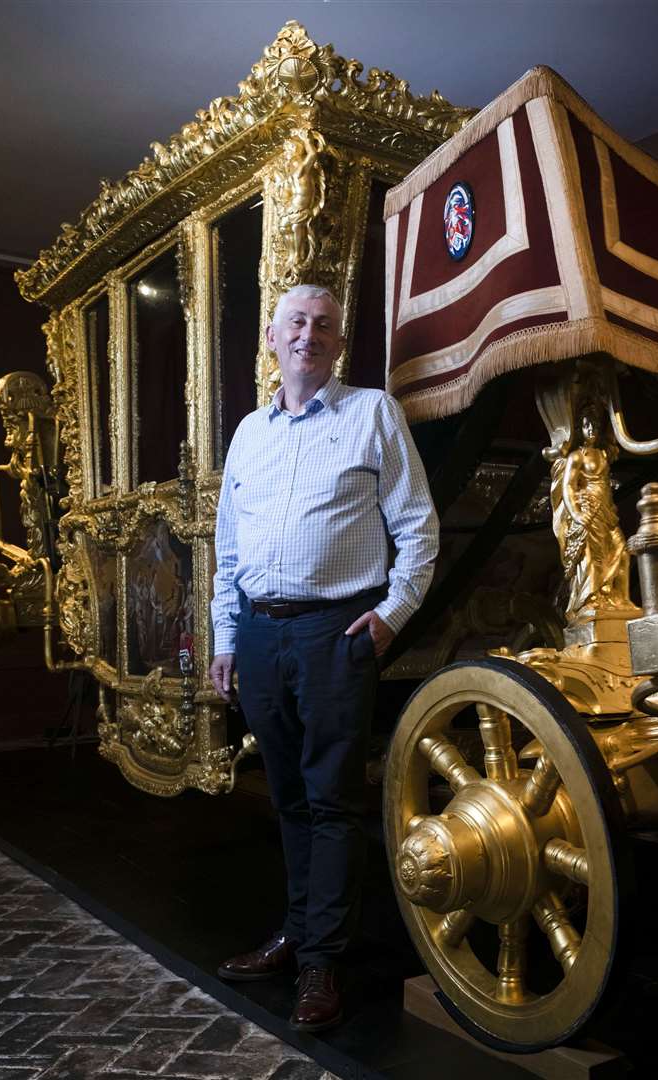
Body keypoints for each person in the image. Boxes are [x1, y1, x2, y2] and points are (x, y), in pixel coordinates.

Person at [208, 284, 437, 1031]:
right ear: (273, 338)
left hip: (337, 632)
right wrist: (225, 636)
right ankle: (297, 934)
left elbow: (418, 529)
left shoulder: (372, 413)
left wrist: (390, 616)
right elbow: (228, 549)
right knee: (289, 800)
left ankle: (320, 962)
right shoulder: (248, 433)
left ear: (339, 345)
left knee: (333, 801)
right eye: (297, 323)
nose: (310, 334)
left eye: (325, 326)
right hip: (262, 633)